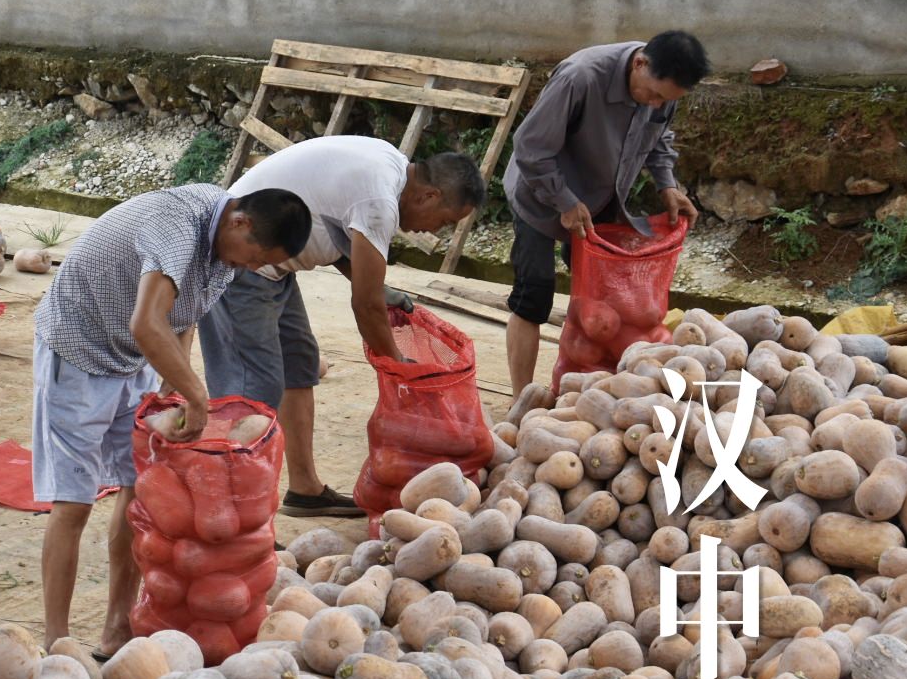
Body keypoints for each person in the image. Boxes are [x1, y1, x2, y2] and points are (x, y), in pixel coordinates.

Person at [34, 182, 312, 654]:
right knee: (74, 502)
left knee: (139, 490)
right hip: (77, 348)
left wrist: (170, 384)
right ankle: (55, 643)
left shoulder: (228, 248)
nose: (247, 268)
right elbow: (146, 322)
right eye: (252, 256)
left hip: (134, 358)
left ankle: (116, 628)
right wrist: (197, 395)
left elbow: (183, 316)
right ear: (239, 222)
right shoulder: (177, 226)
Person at [197, 136, 485, 517]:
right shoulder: (380, 201)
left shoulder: (389, 164)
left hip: (273, 269)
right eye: (445, 222)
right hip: (239, 260)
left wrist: (379, 289)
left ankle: (305, 490)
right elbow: (365, 306)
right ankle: (234, 517)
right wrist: (399, 367)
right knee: (251, 394)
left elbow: (333, 232)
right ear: (428, 196)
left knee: (299, 366)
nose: (434, 231)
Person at [503, 31, 708, 397]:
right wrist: (564, 201)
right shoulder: (580, 77)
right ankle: (522, 400)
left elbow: (659, 139)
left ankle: (590, 384)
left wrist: (667, 185)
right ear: (640, 63)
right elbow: (531, 148)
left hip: (599, 198)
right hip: (539, 193)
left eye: (667, 101)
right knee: (533, 296)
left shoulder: (662, 95)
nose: (657, 104)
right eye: (655, 95)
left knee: (607, 305)